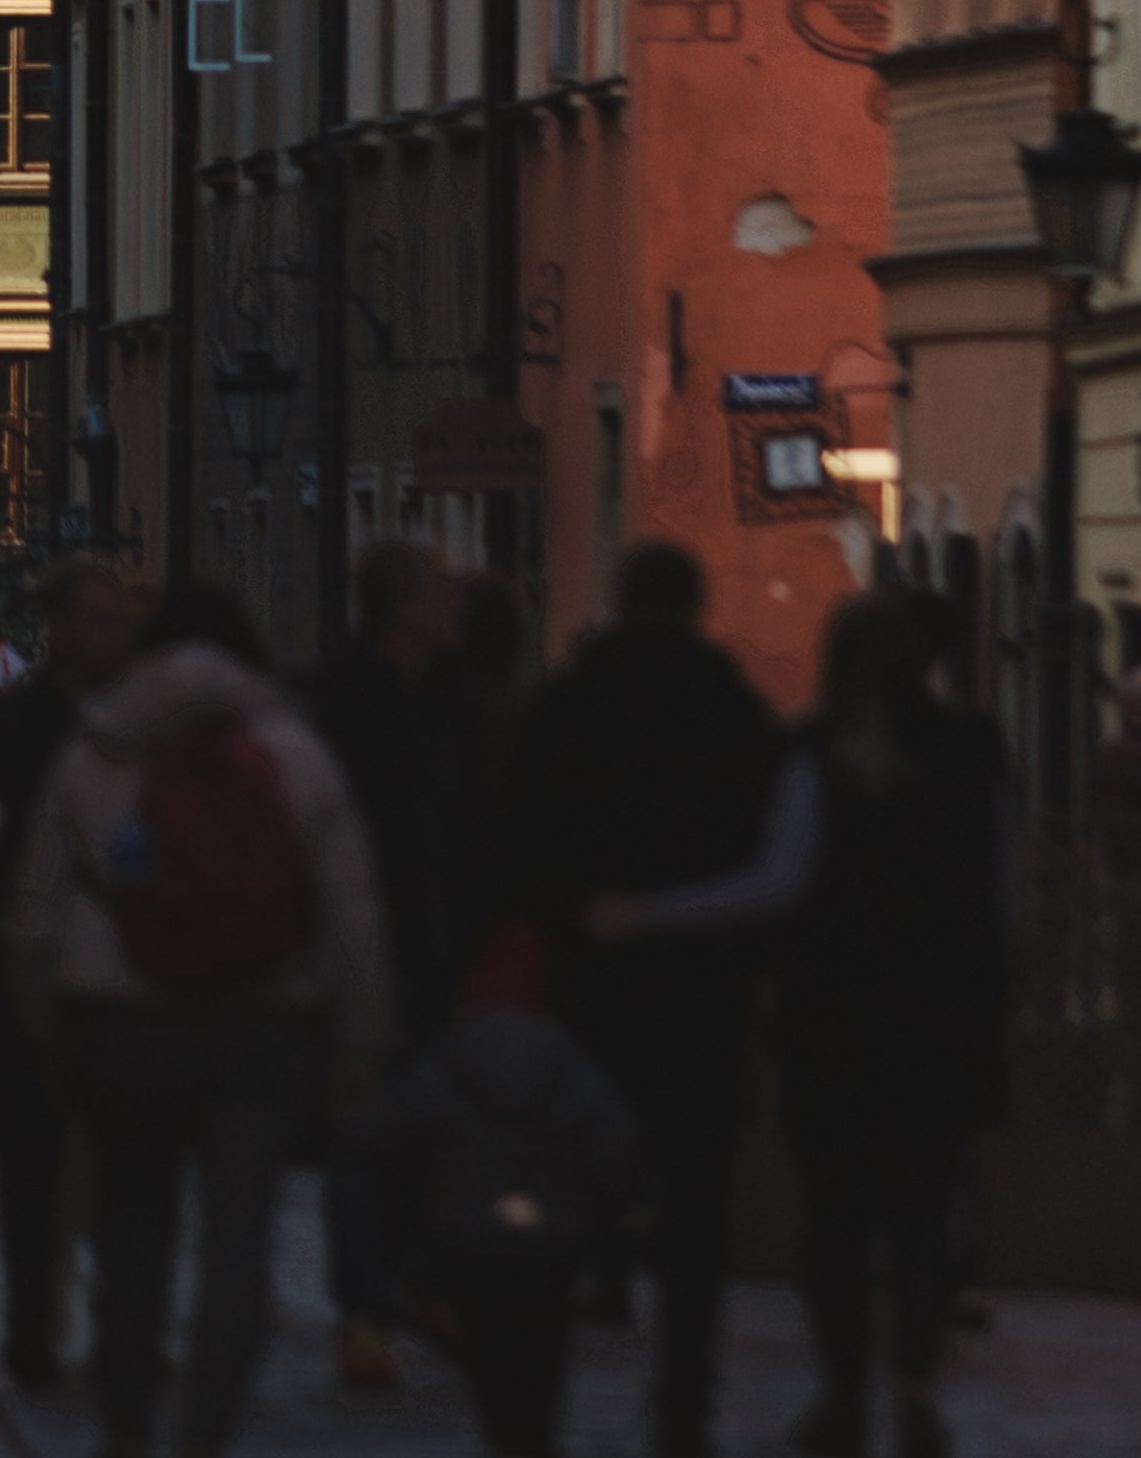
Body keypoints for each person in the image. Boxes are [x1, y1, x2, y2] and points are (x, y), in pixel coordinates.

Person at [629, 588, 1013, 1458]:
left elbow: (778, 883)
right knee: (922, 1206)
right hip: (943, 1016)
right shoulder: (971, 747)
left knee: (835, 1214)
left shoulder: (809, 750)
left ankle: (843, 1389)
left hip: (832, 1019)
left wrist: (653, 914)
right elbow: (1004, 889)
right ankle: (914, 1379)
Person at [9, 575, 387, 1458]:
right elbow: (353, 913)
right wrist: (359, 1044)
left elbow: (32, 917)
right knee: (238, 1239)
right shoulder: (294, 748)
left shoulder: (96, 747)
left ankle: (128, 1424)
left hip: (118, 1019)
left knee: (131, 1228)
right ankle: (205, 1433)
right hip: (263, 1018)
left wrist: (48, 1033)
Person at [505, 543, 787, 1458]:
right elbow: (767, 867)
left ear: (621, 603)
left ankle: (532, 1405)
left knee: (555, 1200)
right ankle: (683, 1405)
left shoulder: (564, 707)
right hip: (702, 998)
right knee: (695, 1216)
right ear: (697, 605)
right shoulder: (739, 718)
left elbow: (518, 848)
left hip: (582, 991)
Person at [305, 539, 501, 1396]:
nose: (457, 604)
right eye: (441, 592)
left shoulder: (458, 699)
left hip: (444, 940)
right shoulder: (342, 702)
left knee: (438, 1130)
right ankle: (367, 1313)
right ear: (400, 608)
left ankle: (419, 1287)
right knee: (362, 1133)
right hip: (360, 942)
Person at [0, 558, 139, 1384]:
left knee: (129, 1166)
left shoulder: (146, 722)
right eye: (94, 618)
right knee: (32, 1159)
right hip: (33, 976)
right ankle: (33, 1318)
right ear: (57, 626)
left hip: (134, 977)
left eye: (118, 617)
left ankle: (123, 1322)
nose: (111, 633)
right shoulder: (14, 727)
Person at [369, 984, 645, 1458]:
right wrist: (603, 1216)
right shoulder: (572, 1068)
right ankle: (533, 1434)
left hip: (467, 1232)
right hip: (553, 1231)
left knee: (490, 1343)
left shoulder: (443, 1066)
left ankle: (505, 1434)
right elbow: (614, 1144)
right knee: (543, 1340)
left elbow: (396, 1142)